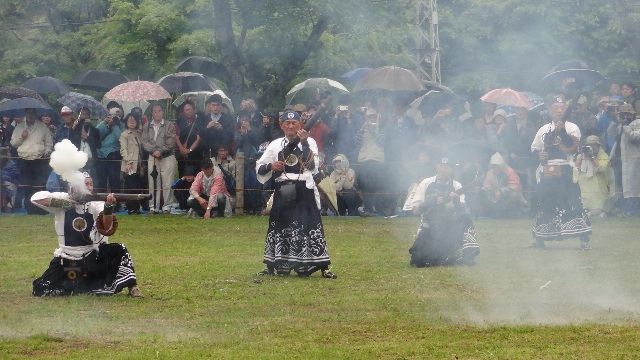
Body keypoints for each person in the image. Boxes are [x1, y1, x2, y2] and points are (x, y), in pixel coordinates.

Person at [30, 172, 143, 297]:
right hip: (67, 257)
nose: (90, 188)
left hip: (91, 256)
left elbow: (106, 226)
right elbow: (35, 198)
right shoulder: (63, 198)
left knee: (119, 249)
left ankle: (133, 286)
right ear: (74, 187)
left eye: (91, 184)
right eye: (86, 185)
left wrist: (108, 208)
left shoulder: (95, 202)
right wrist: (63, 203)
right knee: (41, 288)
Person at [255, 111, 336, 278]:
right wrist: (271, 166)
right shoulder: (276, 144)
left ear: (300, 124)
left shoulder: (310, 141)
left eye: (294, 122)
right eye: (287, 123)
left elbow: (313, 166)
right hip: (283, 190)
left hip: (304, 190)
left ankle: (316, 266)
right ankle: (277, 264)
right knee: (280, 228)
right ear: (281, 124)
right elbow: (259, 166)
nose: (291, 126)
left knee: (308, 226)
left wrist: (304, 142)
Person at [530, 97, 592, 249]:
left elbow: (574, 146)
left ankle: (584, 240)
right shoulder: (543, 129)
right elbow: (534, 149)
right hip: (547, 171)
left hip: (566, 169)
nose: (559, 110)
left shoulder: (572, 128)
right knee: (544, 202)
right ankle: (540, 238)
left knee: (573, 202)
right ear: (550, 111)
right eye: (555, 107)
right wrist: (540, 155)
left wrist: (562, 131)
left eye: (561, 107)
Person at [408, 158, 480, 267]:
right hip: (429, 227)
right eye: (440, 165)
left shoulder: (457, 186)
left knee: (467, 220)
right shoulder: (426, 183)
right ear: (437, 166)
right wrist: (430, 202)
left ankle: (461, 252)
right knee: (421, 261)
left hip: (450, 229)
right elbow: (415, 210)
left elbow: (462, 213)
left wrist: (455, 202)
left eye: (446, 167)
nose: (443, 169)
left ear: (452, 169)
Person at [10, 108, 54, 214]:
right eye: (29, 113)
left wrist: (47, 152)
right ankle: (30, 209)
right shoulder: (19, 127)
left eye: (32, 113)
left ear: (35, 114)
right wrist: (22, 137)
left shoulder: (42, 126)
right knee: (27, 185)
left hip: (39, 160)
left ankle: (41, 209)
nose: (30, 115)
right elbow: (13, 143)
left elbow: (49, 142)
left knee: (40, 185)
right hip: (24, 160)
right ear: (26, 114)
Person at [141, 104, 177, 214]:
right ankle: (153, 207)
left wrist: (160, 151)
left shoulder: (170, 125)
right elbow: (144, 141)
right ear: (152, 113)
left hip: (167, 156)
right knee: (152, 181)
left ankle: (167, 207)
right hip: (152, 156)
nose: (157, 113)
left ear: (163, 112)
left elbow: (171, 141)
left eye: (159, 111)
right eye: (155, 111)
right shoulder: (147, 126)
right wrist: (153, 151)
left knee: (167, 182)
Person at [607, 103, 640, 217]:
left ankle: (632, 211)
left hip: (634, 161)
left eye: (627, 114)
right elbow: (611, 134)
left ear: (632, 114)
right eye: (622, 114)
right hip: (620, 161)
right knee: (623, 188)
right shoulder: (621, 124)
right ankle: (624, 210)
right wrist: (615, 121)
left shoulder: (637, 123)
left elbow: (635, 136)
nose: (625, 116)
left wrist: (625, 124)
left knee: (634, 188)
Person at [480, 152, 527, 218]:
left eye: (497, 166)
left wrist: (501, 191)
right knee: (484, 196)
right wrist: (483, 190)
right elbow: (487, 185)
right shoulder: (490, 173)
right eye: (494, 166)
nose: (496, 168)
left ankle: (512, 215)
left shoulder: (510, 171)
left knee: (514, 196)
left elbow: (515, 186)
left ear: (501, 165)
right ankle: (491, 215)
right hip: (495, 198)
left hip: (508, 197)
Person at [574, 135, 610, 217]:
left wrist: (592, 157)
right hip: (584, 190)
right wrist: (582, 156)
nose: (590, 148)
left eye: (593, 146)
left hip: (598, 190)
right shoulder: (581, 156)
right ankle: (589, 214)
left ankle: (590, 214)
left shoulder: (604, 156)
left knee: (596, 211)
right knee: (580, 208)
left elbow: (601, 169)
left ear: (598, 146)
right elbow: (576, 169)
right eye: (588, 146)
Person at [119, 113, 144, 214]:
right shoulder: (124, 134)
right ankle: (130, 208)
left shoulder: (139, 134)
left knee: (138, 187)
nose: (132, 122)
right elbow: (123, 150)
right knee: (130, 187)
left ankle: (137, 207)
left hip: (139, 164)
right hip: (129, 164)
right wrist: (128, 162)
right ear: (126, 122)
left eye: (134, 120)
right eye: (130, 120)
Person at [95, 108, 124, 192]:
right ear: (109, 116)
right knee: (101, 182)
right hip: (101, 155)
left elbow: (120, 138)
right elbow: (96, 133)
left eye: (118, 116)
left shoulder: (121, 125)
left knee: (115, 182)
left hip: (113, 155)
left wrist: (115, 125)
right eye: (113, 116)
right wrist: (104, 123)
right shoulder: (103, 123)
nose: (116, 117)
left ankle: (116, 202)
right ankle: (100, 203)